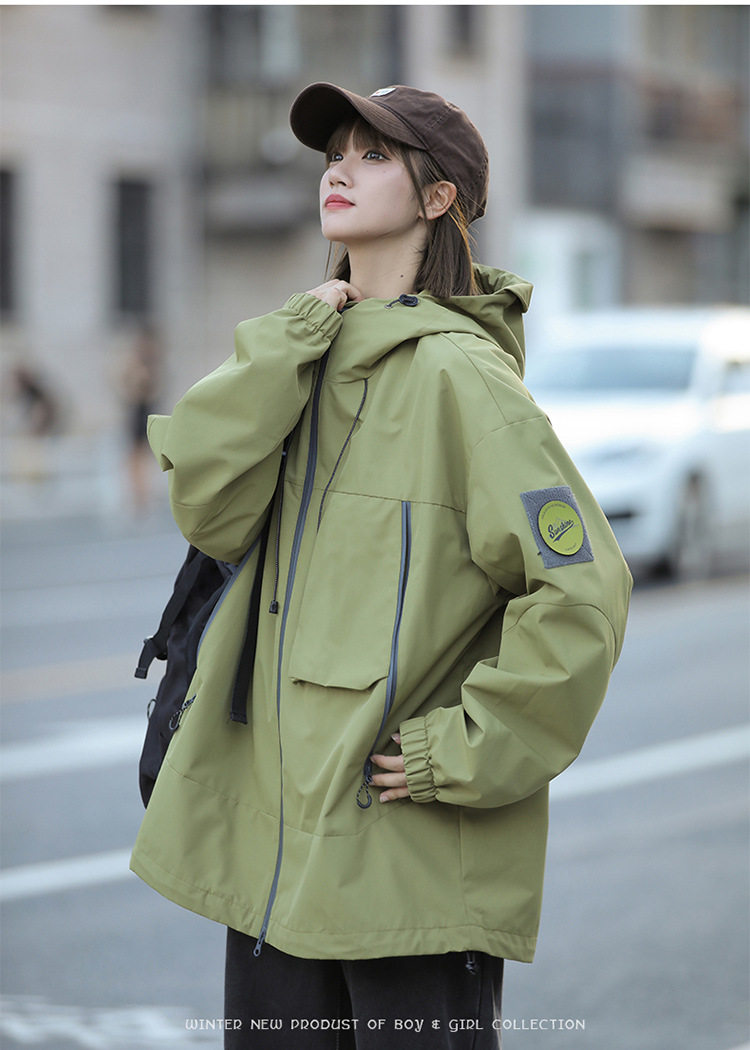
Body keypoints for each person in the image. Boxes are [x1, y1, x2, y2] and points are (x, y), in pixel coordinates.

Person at [130, 83, 632, 1048]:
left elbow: (583, 590)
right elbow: (208, 502)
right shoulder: (303, 358)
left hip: (406, 866)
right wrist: (290, 340)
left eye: (373, 155)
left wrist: (462, 747)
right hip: (279, 860)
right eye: (334, 154)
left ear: (439, 198)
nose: (339, 171)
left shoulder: (462, 378)